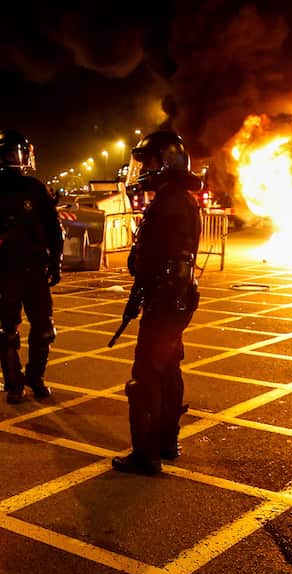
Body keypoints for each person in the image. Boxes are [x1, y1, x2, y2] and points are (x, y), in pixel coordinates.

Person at [113, 130, 202, 475]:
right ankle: (167, 441)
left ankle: (146, 454)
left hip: (164, 299)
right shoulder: (181, 200)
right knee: (169, 369)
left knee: (146, 377)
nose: (144, 171)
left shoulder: (168, 203)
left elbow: (149, 259)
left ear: (165, 163)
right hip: (176, 298)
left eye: (148, 163)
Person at [0, 129, 62, 404]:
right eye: (9, 153)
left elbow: (54, 228)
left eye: (18, 153)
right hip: (5, 272)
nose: (15, 158)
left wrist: (56, 262)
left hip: (35, 270)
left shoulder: (36, 188)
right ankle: (14, 382)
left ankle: (35, 376)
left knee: (44, 328)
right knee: (9, 331)